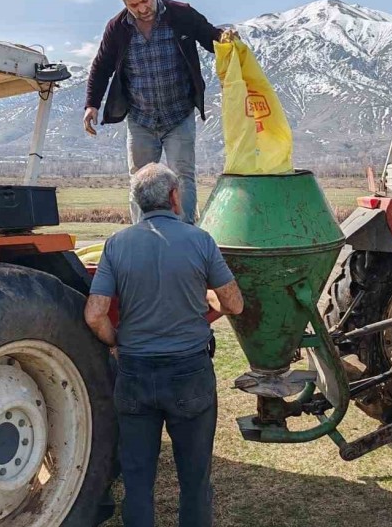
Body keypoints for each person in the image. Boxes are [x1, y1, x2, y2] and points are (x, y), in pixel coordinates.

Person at [84, 163, 244, 527]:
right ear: (174, 197)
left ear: (138, 202)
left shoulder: (117, 244)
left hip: (135, 374)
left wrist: (116, 342)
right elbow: (233, 303)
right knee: (195, 479)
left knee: (138, 482)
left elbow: (95, 314)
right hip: (190, 372)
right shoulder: (200, 240)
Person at [82, 0, 235, 224]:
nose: (142, 9)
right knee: (139, 179)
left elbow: (208, 36)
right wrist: (91, 104)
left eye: (145, 0)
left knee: (182, 176)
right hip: (141, 118)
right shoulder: (117, 28)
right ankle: (142, 234)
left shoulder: (181, 14)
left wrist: (225, 38)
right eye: (133, 5)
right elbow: (101, 65)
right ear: (124, 4)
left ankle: (185, 234)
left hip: (178, 115)